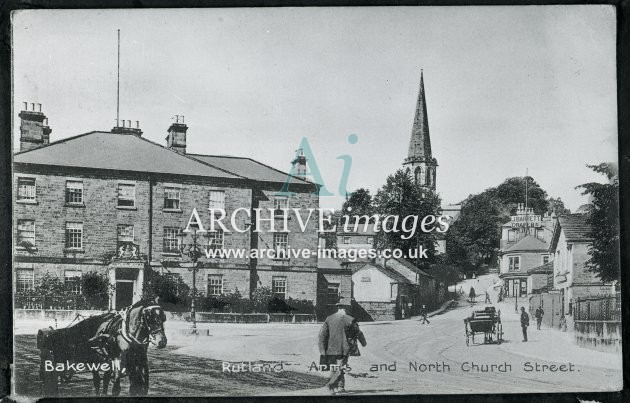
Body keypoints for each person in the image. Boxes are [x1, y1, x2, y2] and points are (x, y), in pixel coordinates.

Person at [318, 298, 366, 395]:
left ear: (338, 307)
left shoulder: (329, 318)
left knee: (335, 367)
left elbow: (322, 336)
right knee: (340, 368)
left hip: (330, 349)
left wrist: (322, 350)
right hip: (343, 349)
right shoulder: (350, 319)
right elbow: (358, 333)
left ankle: (340, 387)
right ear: (346, 308)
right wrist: (363, 342)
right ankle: (332, 386)